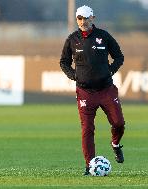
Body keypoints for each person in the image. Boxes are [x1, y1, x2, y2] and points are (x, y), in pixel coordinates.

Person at [60, 5, 125, 175]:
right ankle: (89, 165)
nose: (82, 21)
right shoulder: (72, 39)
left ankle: (115, 144)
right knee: (87, 129)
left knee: (118, 123)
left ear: (93, 18)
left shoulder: (103, 36)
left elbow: (119, 56)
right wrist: (73, 75)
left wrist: (110, 71)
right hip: (84, 92)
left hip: (106, 89)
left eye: (85, 18)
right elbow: (63, 62)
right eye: (79, 18)